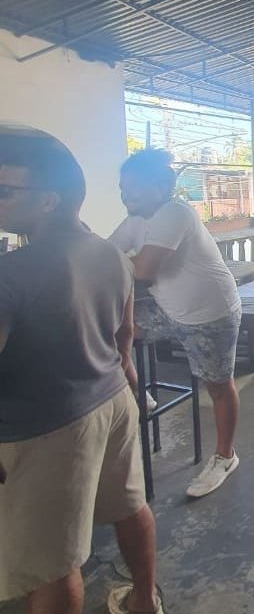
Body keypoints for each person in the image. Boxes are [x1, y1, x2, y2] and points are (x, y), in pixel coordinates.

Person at [0, 127, 161, 614]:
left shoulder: (12, 274)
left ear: (48, 200)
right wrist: (124, 378)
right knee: (131, 506)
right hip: (112, 399)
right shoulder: (108, 252)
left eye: (5, 191)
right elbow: (125, 336)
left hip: (47, 427)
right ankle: (144, 601)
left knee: (52, 563)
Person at [109, 149, 242, 499]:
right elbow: (106, 254)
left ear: (160, 187)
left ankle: (225, 457)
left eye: (133, 188)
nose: (125, 195)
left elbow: (143, 269)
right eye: (122, 188)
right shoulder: (135, 220)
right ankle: (141, 396)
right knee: (107, 327)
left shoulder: (174, 212)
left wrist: (112, 262)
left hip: (209, 314)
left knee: (217, 386)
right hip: (168, 310)